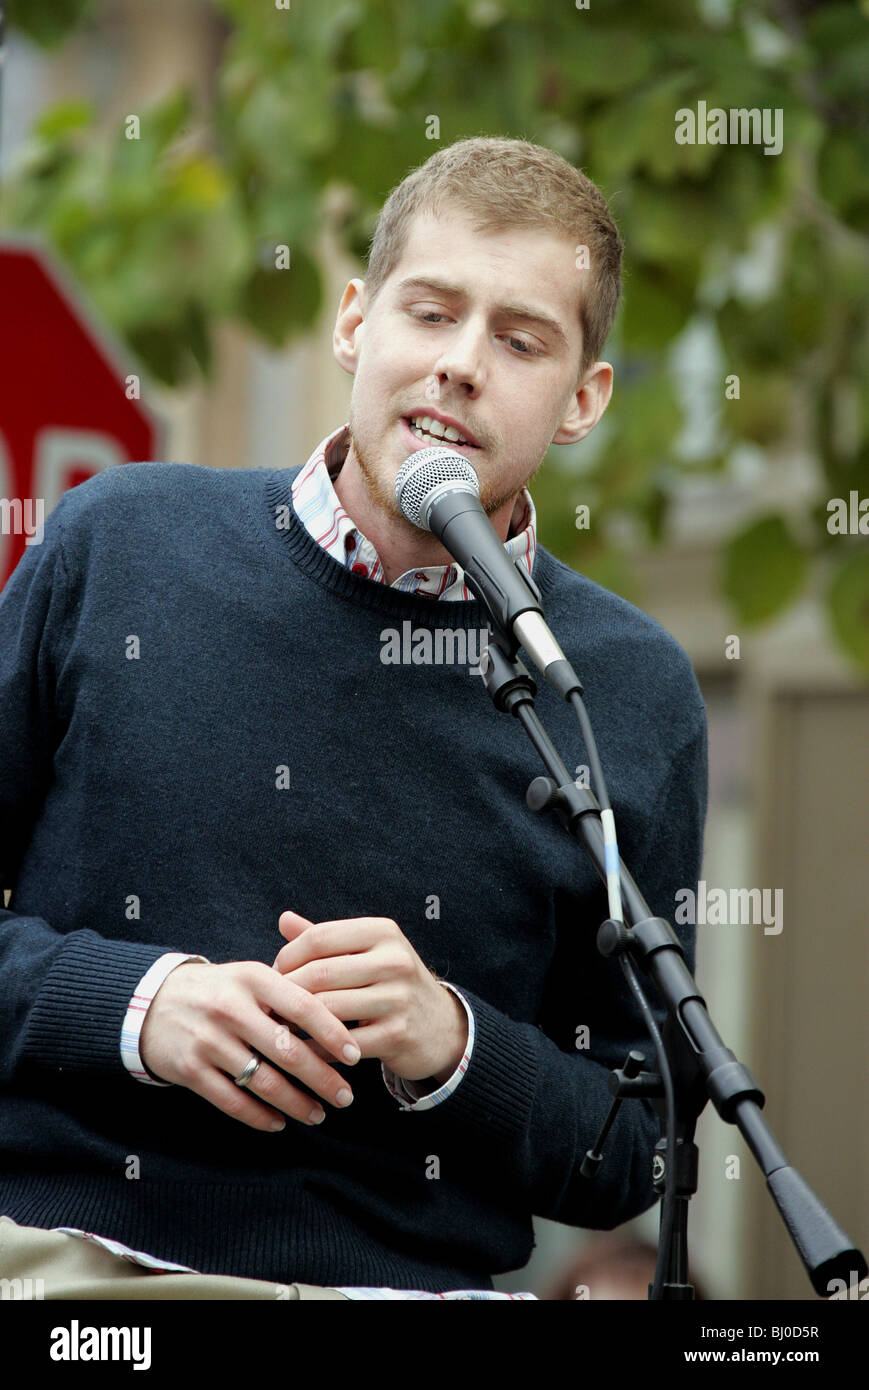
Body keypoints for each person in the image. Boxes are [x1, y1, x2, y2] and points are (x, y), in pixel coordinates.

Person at [0, 136, 708, 1298]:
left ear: (582, 398)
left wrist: (455, 1046)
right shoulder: (117, 541)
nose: (459, 366)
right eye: (429, 313)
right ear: (351, 324)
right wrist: (134, 1005)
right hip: (78, 1269)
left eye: (519, 339)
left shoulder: (622, 689)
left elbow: (636, 1142)